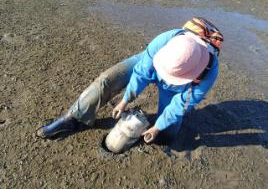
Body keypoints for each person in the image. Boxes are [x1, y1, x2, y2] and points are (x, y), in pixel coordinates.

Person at [36, 27, 219, 144]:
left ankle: (162, 135)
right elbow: (141, 73)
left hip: (180, 87)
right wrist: (125, 100)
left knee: (168, 131)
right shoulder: (164, 41)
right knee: (106, 80)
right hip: (155, 65)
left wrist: (157, 127)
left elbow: (181, 105)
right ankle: (72, 119)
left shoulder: (207, 73)